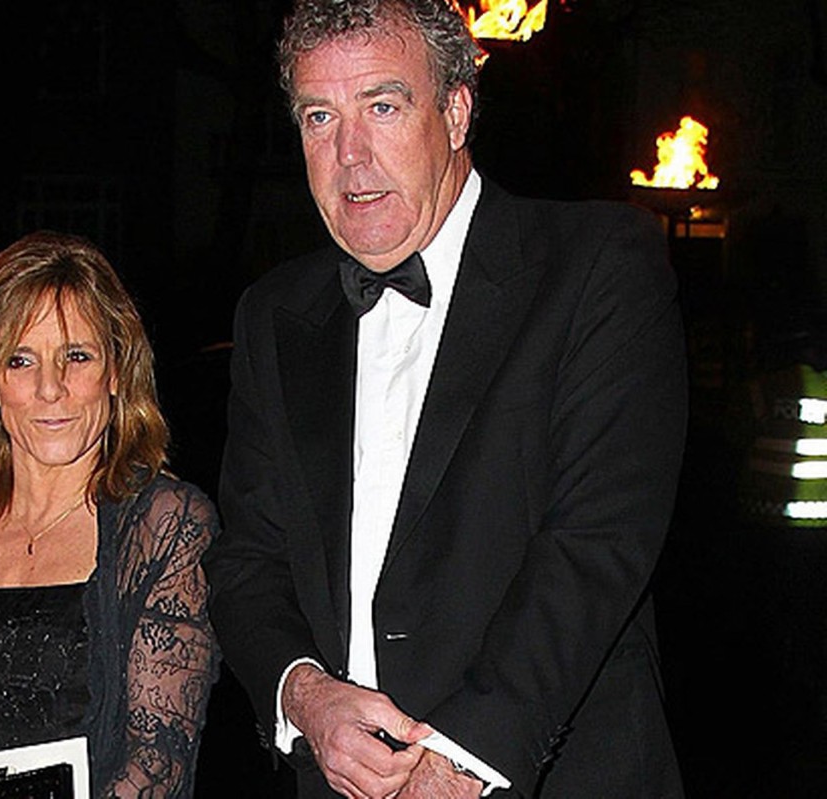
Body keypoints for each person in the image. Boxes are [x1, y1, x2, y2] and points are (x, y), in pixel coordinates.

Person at [202, 1, 688, 797]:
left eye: (382, 107)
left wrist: (458, 760)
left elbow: (597, 543)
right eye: (320, 117)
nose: (350, 155)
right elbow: (248, 559)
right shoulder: (274, 314)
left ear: (456, 112)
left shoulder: (598, 265)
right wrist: (304, 695)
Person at [0, 231, 220, 798]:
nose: (50, 388)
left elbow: (158, 754)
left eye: (76, 356)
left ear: (116, 371)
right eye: (21, 360)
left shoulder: (164, 526)